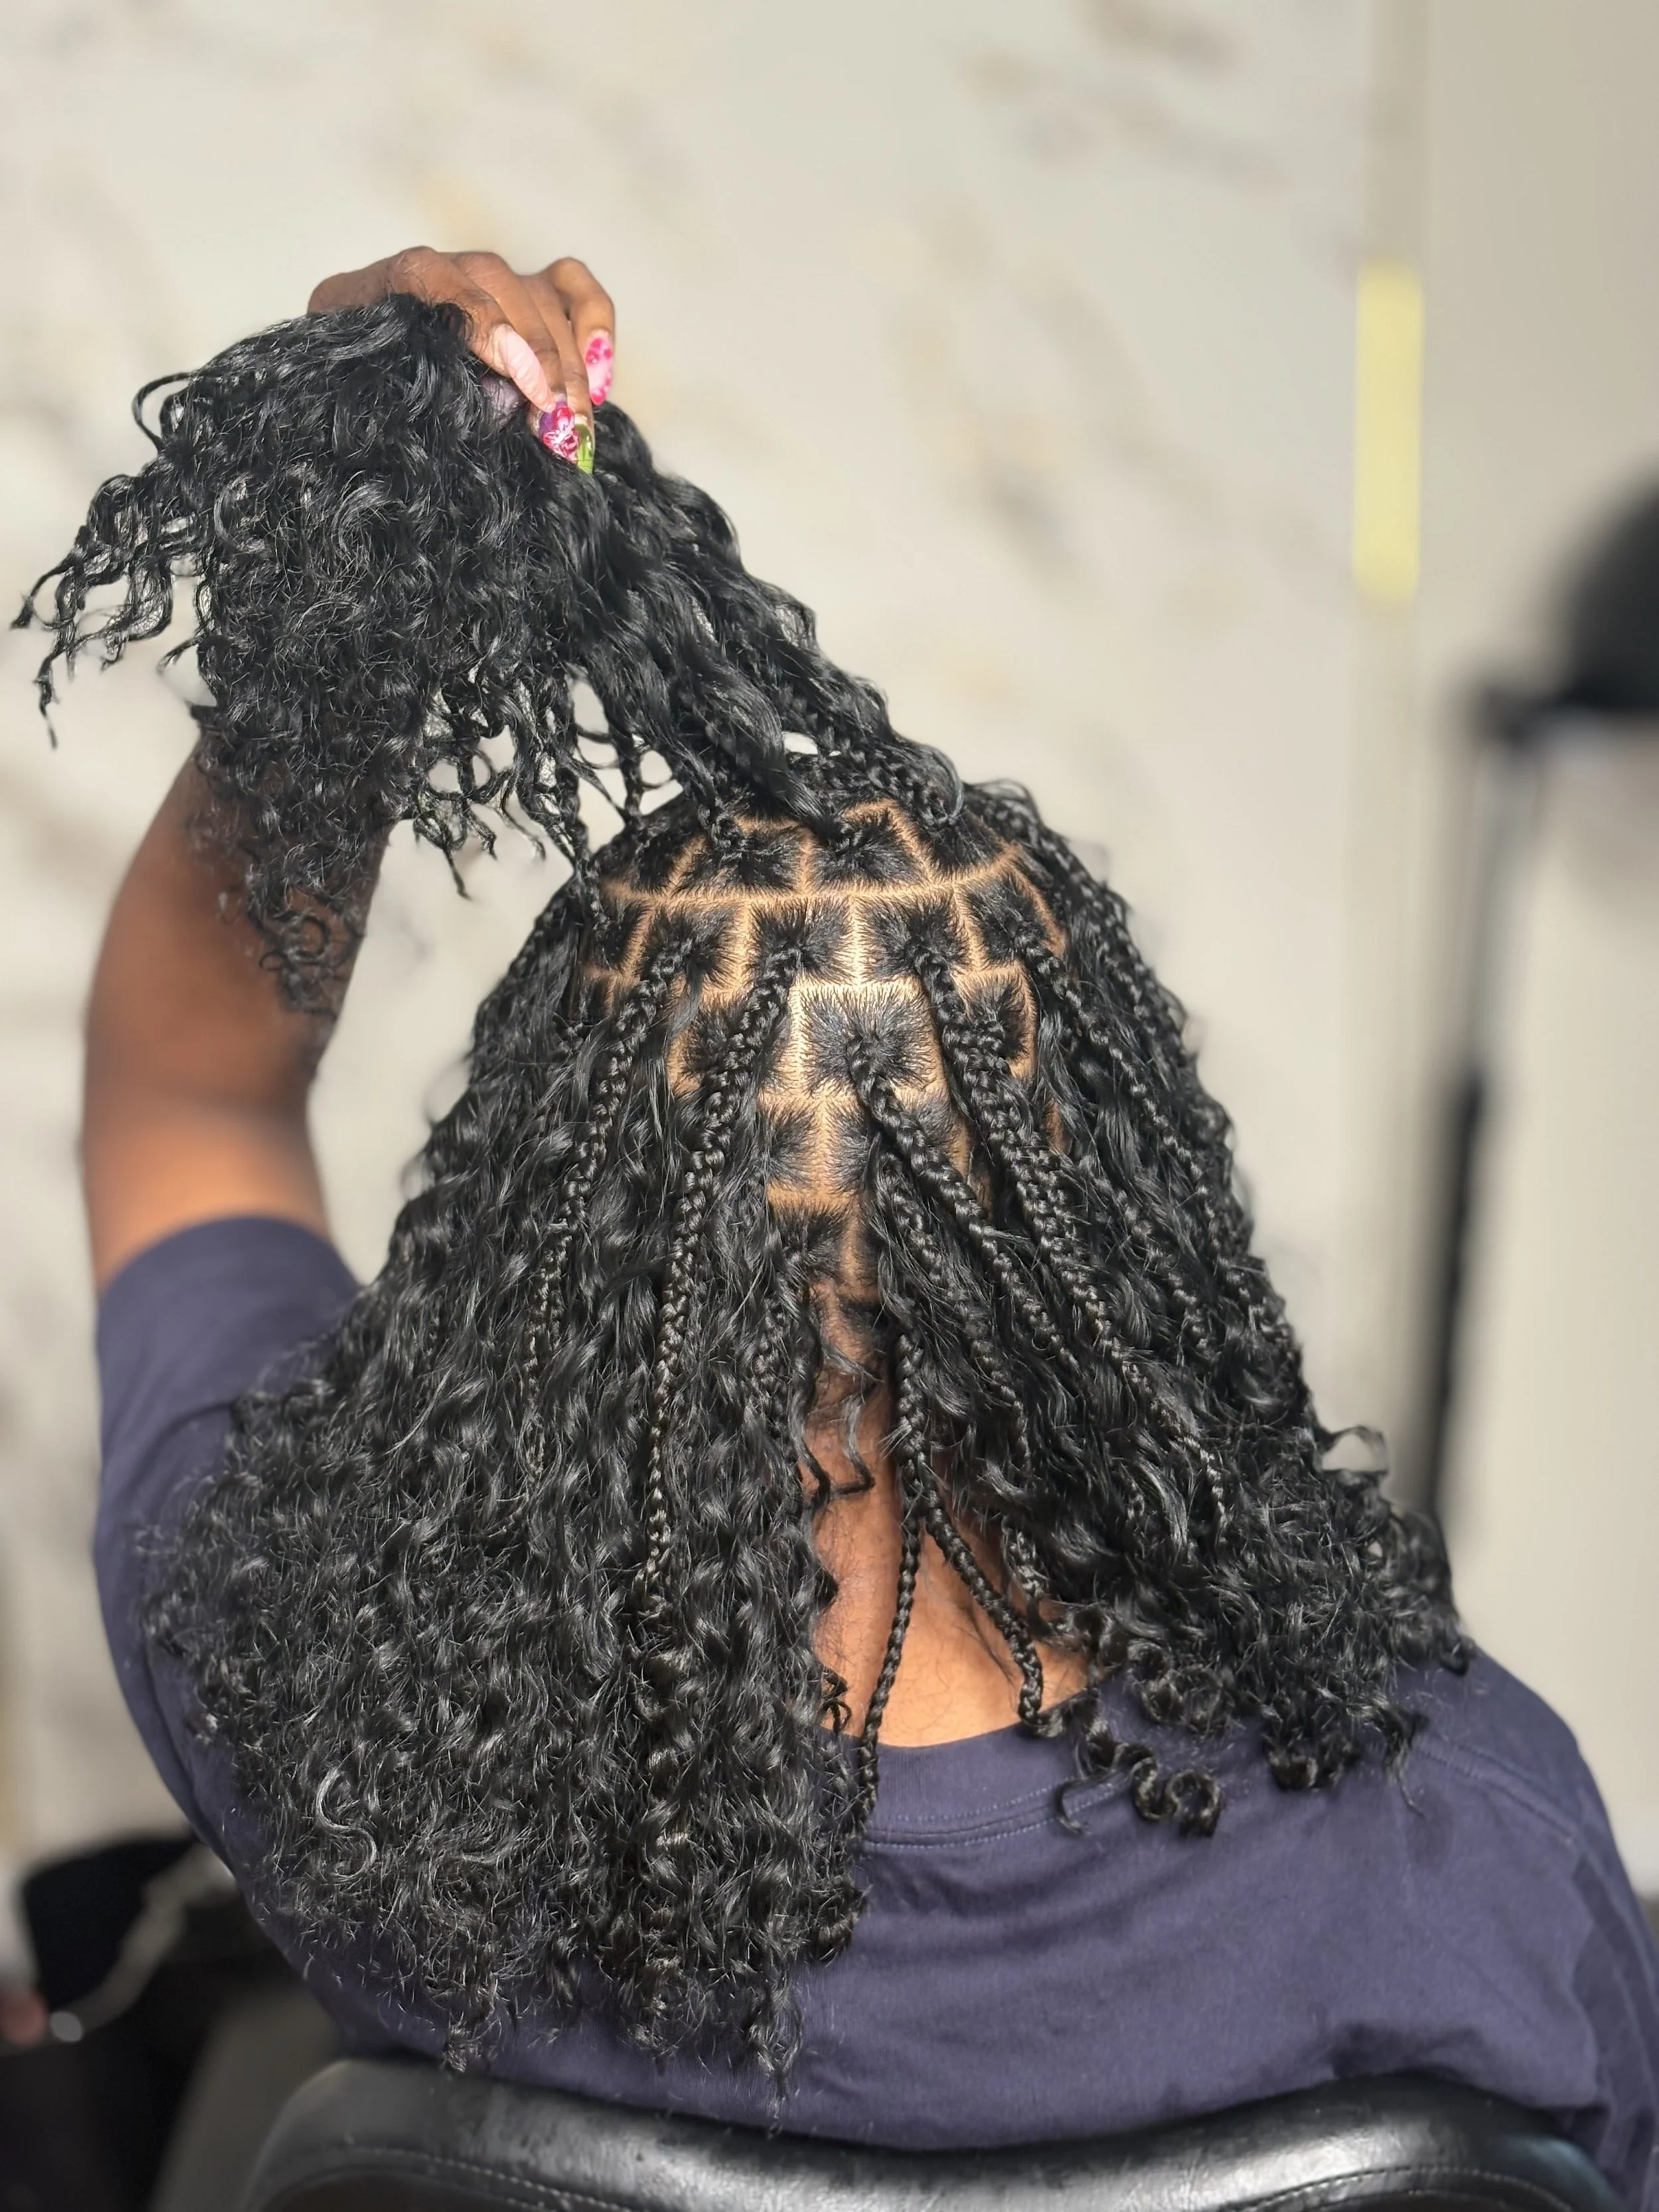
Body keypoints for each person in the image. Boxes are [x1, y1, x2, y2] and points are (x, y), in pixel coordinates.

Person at [20, 250, 1659, 2205]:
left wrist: (350, 590)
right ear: (1122, 1259)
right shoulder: (1458, 1846)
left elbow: (185, 1096)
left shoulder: (345, 1744)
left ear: (559, 1267)